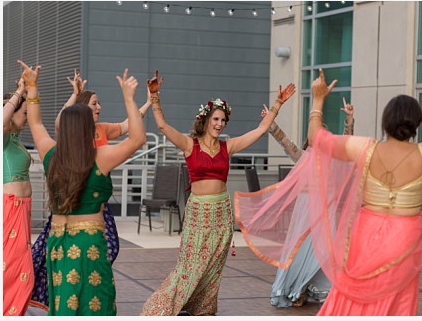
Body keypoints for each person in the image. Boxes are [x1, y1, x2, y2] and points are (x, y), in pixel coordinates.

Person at [235, 69, 422, 315]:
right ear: (417, 123)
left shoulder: (366, 149)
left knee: (353, 303)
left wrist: (317, 99)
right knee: (395, 304)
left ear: (385, 122)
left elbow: (316, 137)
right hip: (402, 240)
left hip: (365, 238)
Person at [141, 72, 296, 315]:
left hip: (221, 213)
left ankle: (202, 310)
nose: (219, 124)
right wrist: (154, 96)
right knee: (190, 266)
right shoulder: (188, 144)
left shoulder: (228, 146)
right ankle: (162, 308)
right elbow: (162, 126)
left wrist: (278, 104)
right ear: (205, 120)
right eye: (216, 119)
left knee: (213, 268)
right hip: (198, 214)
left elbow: (260, 130)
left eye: (223, 120)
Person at [24, 62, 147, 315]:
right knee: (95, 303)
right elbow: (137, 138)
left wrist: (33, 88)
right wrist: (128, 98)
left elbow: (36, 125)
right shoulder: (99, 157)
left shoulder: (51, 154)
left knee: (65, 304)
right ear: (86, 127)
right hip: (89, 240)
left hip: (57, 241)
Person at [259, 99, 354, 308]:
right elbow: (286, 143)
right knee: (300, 251)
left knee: (323, 253)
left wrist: (348, 119)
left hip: (325, 212)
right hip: (305, 215)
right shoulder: (303, 157)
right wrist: (271, 123)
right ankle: (295, 290)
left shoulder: (334, 159)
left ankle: (308, 288)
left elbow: (347, 142)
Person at [4, 79, 34, 316]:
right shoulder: (2, 140)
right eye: (23, 113)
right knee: (10, 272)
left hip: (22, 210)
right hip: (9, 209)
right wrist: (19, 92)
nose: (26, 118)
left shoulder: (14, 140)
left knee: (22, 274)